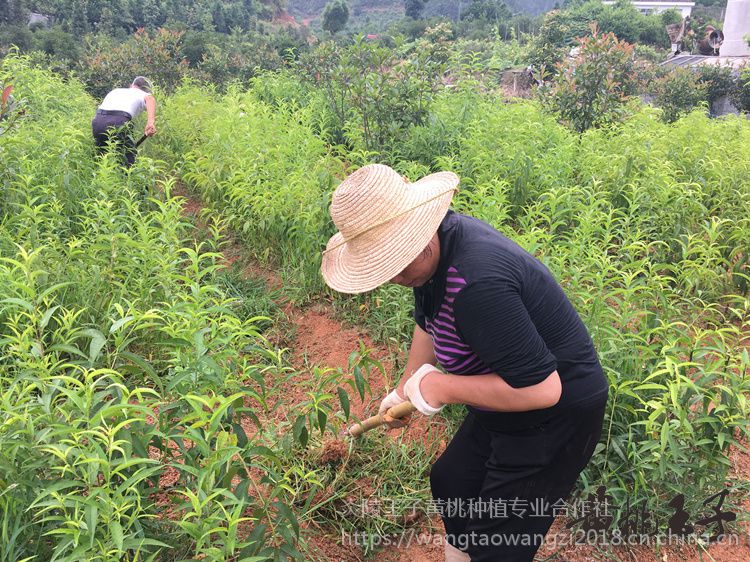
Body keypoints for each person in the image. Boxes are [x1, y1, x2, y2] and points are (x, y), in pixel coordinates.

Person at [321, 164, 609, 562]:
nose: (394, 276)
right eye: (384, 266)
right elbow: (429, 322)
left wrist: (440, 387)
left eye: (397, 262)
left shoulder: (477, 284)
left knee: (499, 544)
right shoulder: (435, 254)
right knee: (453, 481)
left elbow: (543, 389)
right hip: (504, 392)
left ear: (419, 235)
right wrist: (406, 388)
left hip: (557, 413)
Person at [92, 76, 156, 167]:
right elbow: (150, 99)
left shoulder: (116, 91)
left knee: (101, 157)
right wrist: (150, 123)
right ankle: (126, 178)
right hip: (119, 121)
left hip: (98, 121)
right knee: (128, 158)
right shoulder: (142, 94)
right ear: (147, 90)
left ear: (131, 85)